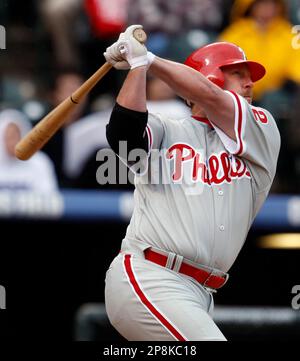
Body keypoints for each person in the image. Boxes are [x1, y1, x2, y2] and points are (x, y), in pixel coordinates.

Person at [103, 25, 280, 341]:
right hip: (151, 274)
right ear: (210, 76)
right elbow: (124, 134)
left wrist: (148, 59)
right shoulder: (168, 129)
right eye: (238, 73)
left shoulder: (261, 130)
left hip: (201, 292)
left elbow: (210, 97)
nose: (250, 82)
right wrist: (138, 68)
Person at [0, 109, 58, 192]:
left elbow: (49, 195)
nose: (12, 142)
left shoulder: (40, 162)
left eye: (16, 136)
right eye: (9, 137)